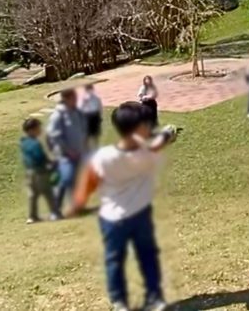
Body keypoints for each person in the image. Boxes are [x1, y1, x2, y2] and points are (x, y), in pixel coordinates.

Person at [71, 102, 179, 311]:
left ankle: (144, 299)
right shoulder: (138, 153)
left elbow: (86, 186)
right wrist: (168, 134)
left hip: (128, 217)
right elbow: (159, 142)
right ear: (138, 129)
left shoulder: (105, 156)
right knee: (126, 259)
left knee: (135, 257)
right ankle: (127, 301)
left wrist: (79, 203)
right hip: (122, 219)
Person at [46, 88, 89, 216]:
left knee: (75, 181)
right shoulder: (58, 115)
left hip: (78, 153)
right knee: (64, 180)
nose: (76, 100)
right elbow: (54, 136)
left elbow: (82, 129)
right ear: (66, 99)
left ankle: (76, 207)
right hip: (64, 155)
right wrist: (67, 151)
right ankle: (55, 210)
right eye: (73, 97)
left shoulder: (76, 112)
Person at [19, 117, 58, 223]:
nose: (40, 130)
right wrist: (51, 164)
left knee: (33, 195)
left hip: (29, 173)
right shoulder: (35, 144)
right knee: (48, 192)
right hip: (40, 172)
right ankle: (55, 213)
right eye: (38, 128)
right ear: (31, 130)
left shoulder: (23, 143)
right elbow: (40, 157)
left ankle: (32, 217)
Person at [80, 82, 104, 152]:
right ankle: (95, 149)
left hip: (89, 116)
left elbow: (81, 108)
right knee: (94, 135)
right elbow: (100, 107)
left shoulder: (85, 98)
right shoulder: (96, 97)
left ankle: (88, 149)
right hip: (94, 116)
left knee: (88, 135)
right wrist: (100, 116)